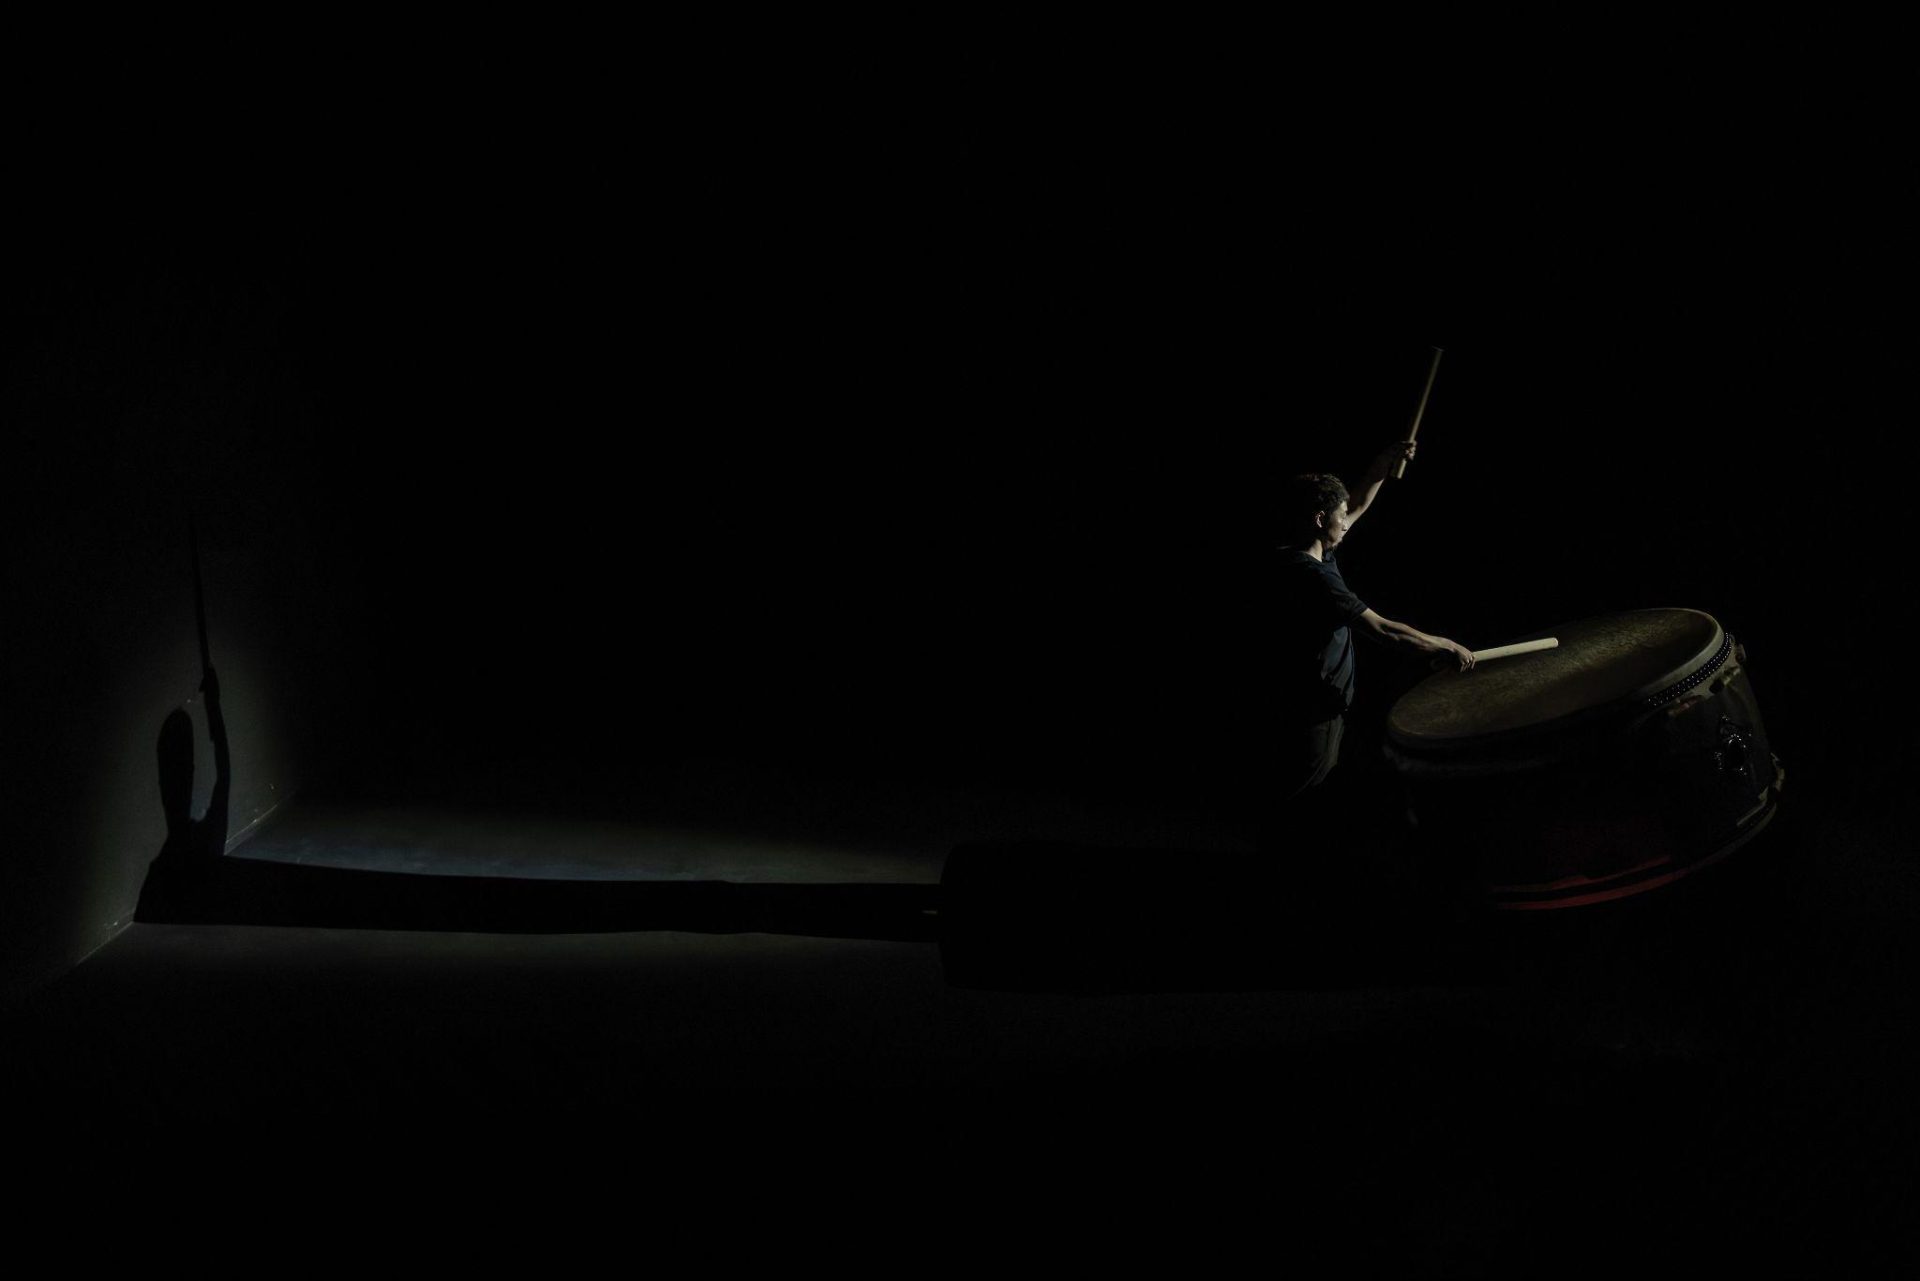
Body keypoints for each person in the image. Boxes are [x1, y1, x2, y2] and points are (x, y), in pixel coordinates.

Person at [1278, 441, 1473, 809]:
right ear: (1320, 519)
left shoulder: (1311, 550)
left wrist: (1385, 463)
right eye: (1339, 515)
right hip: (1315, 712)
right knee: (1303, 798)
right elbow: (1384, 631)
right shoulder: (1314, 578)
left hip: (1323, 705)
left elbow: (1358, 504)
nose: (1346, 520)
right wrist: (1444, 645)